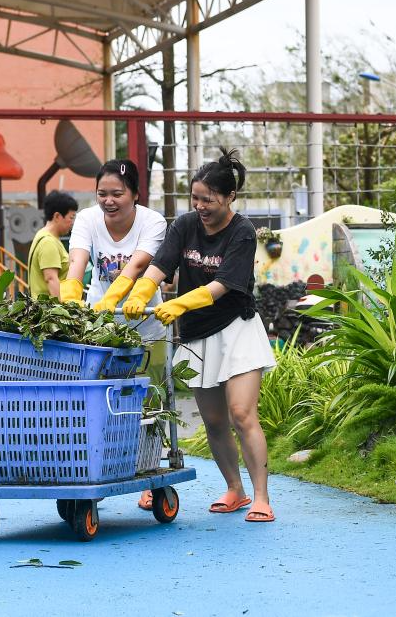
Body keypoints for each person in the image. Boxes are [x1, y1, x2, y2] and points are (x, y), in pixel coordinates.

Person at [122, 147, 277, 522]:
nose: (201, 206)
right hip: (197, 334)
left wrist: (180, 303)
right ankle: (234, 489)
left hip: (235, 329)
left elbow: (225, 284)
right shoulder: (186, 225)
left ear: (229, 197)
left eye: (208, 199)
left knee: (242, 413)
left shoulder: (242, 233)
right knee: (213, 419)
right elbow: (162, 264)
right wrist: (143, 289)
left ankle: (261, 496)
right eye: (196, 198)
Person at [60, 159, 167, 346]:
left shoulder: (153, 222)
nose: (108, 201)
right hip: (98, 325)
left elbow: (138, 265)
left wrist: (111, 298)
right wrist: (71, 300)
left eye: (117, 194)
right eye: (102, 194)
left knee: (154, 375)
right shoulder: (87, 218)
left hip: (145, 325)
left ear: (135, 194)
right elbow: (77, 260)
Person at [28, 191, 77, 298]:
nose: (72, 222)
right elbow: (51, 279)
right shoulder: (48, 242)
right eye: (71, 217)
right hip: (49, 311)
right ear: (57, 216)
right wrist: (62, 311)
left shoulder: (43, 235)